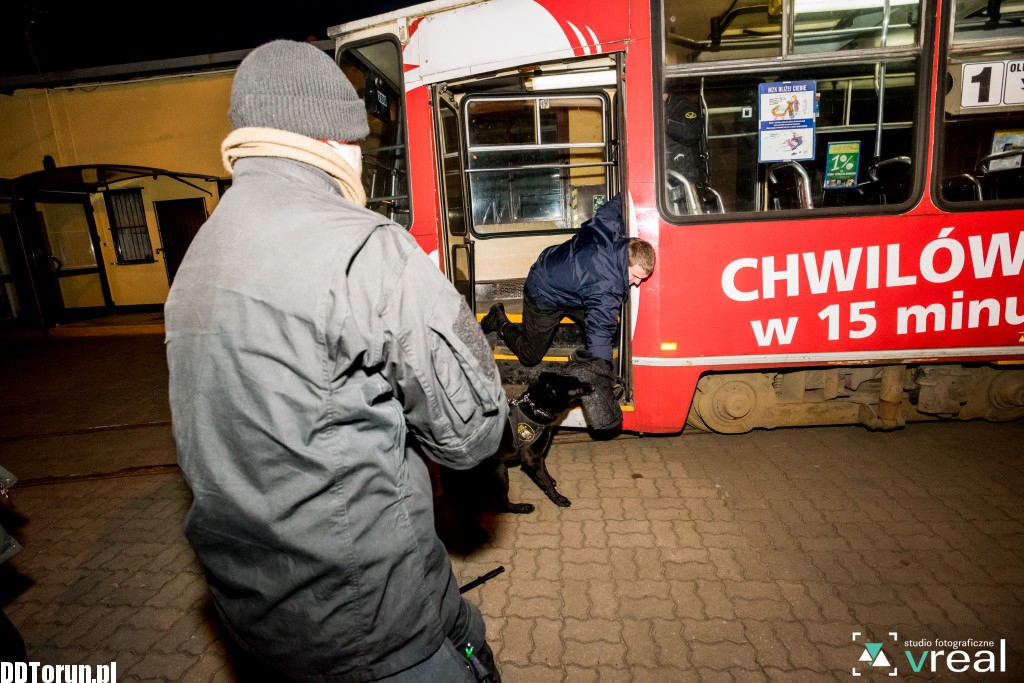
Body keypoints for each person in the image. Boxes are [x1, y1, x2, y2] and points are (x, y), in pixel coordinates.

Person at [165, 40, 507, 682]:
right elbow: (471, 434)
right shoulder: (368, 248)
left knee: (463, 627)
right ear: (336, 139)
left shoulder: (200, 256)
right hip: (373, 621)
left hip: (258, 607)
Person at [481, 194, 655, 368]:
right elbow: (600, 330)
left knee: (612, 333)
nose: (637, 283)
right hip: (543, 293)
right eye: (636, 276)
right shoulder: (605, 285)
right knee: (529, 357)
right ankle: (499, 320)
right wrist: (601, 376)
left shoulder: (608, 226)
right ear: (626, 261)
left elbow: (621, 200)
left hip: (571, 288)